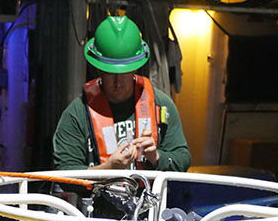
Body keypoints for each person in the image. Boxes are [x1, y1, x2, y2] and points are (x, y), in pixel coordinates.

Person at [52, 15, 191, 172]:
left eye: (125, 72)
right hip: (97, 196)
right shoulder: (77, 114)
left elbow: (183, 158)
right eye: (110, 73)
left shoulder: (162, 105)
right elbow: (64, 171)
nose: (119, 82)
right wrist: (108, 168)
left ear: (136, 67)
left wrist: (156, 157)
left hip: (151, 195)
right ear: (97, 69)